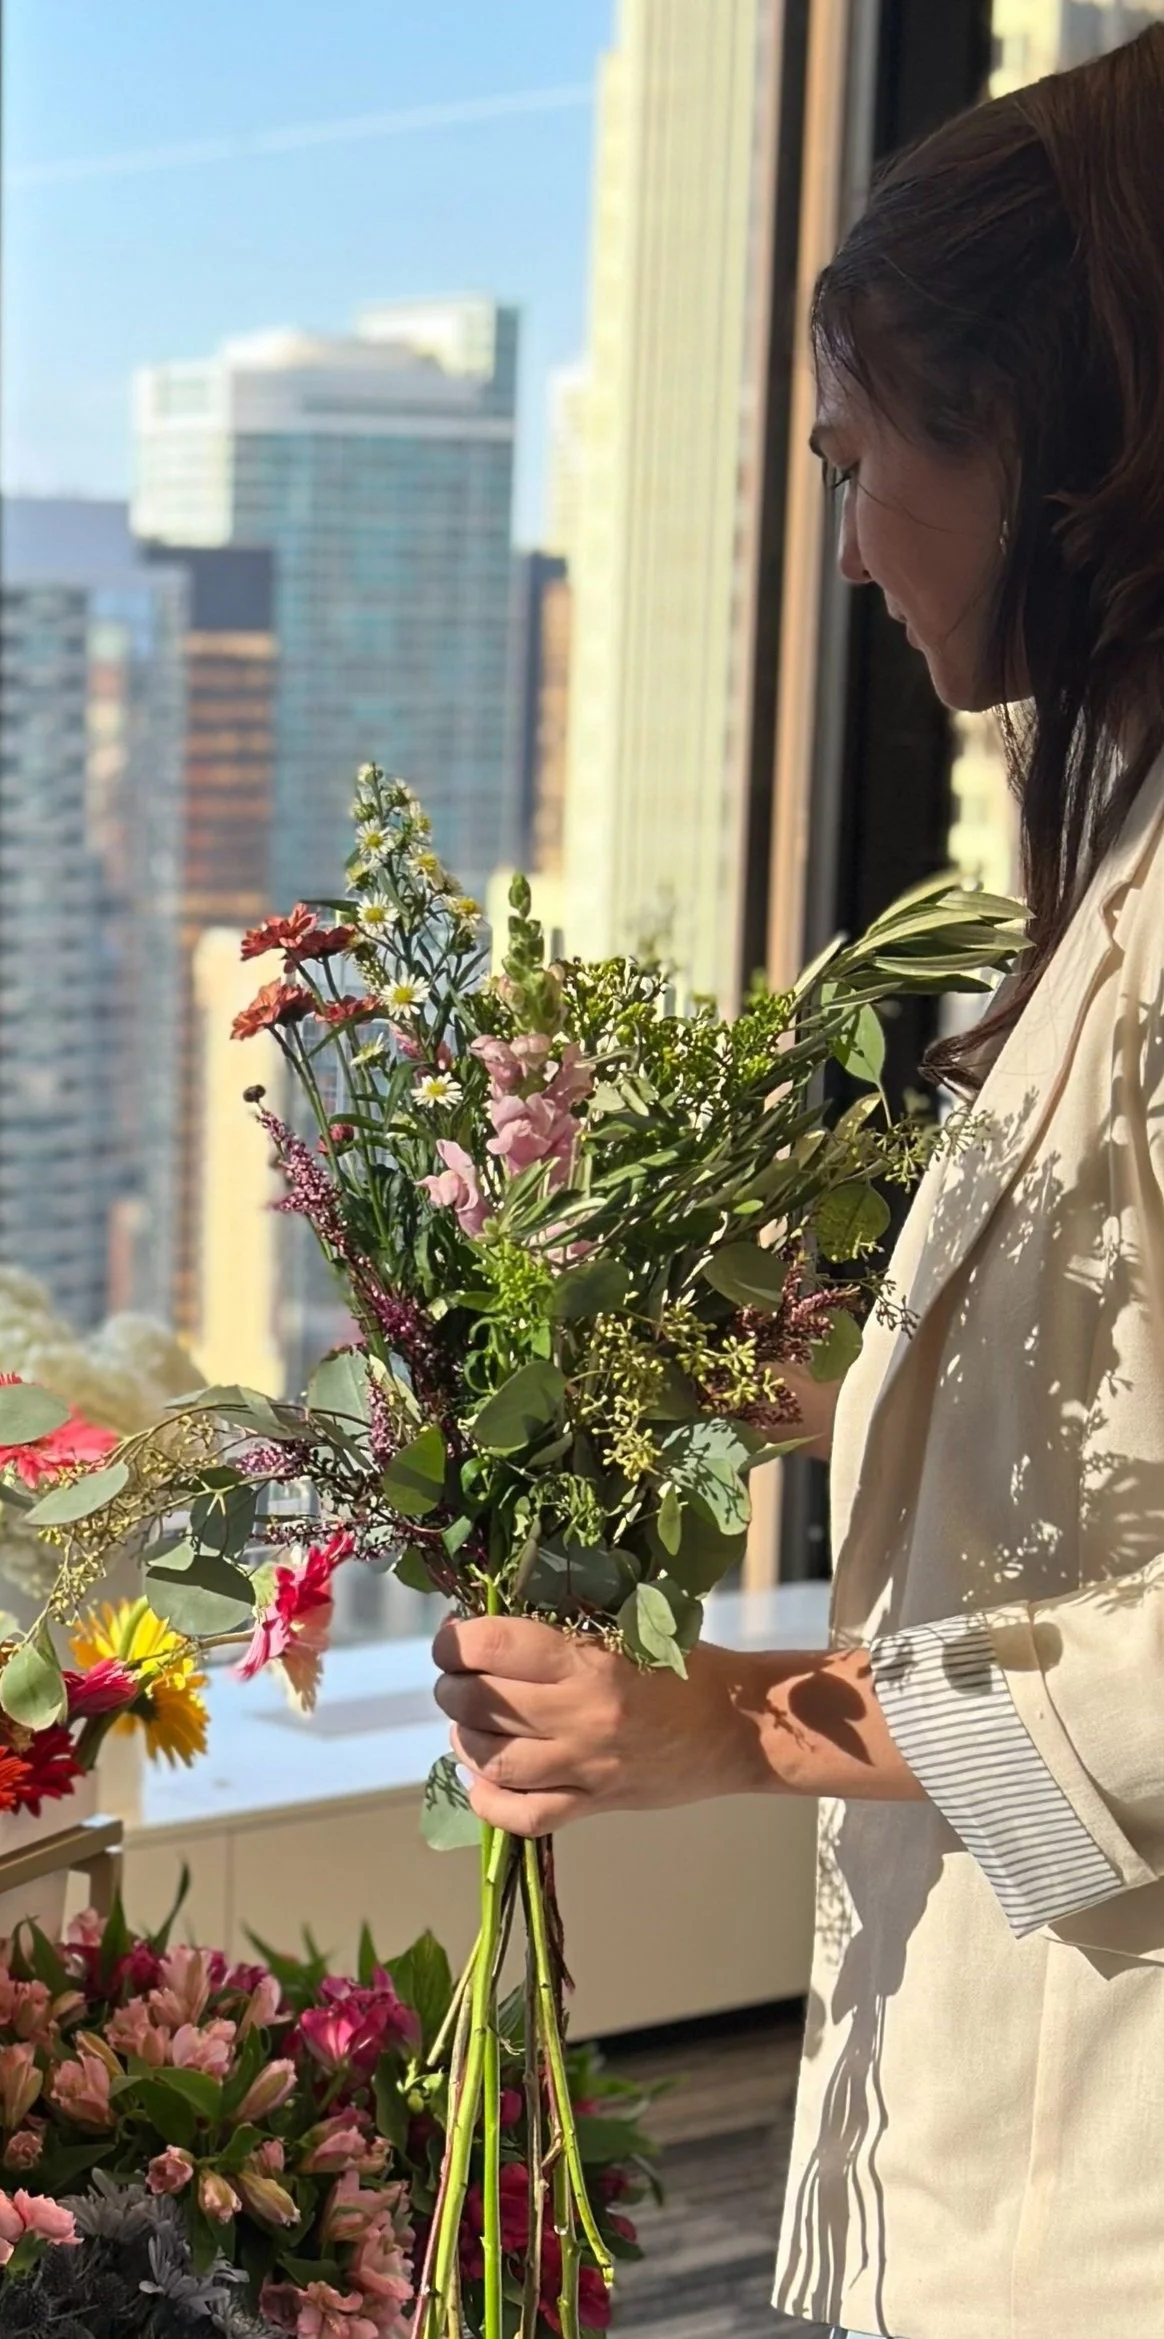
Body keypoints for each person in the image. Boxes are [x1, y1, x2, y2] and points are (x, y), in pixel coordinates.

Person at [431, 29, 1164, 2339]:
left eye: (858, 461)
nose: (845, 546)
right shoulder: (1118, 863)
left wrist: (727, 1717)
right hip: (988, 2126)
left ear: (1030, 424)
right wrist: (829, 1373)